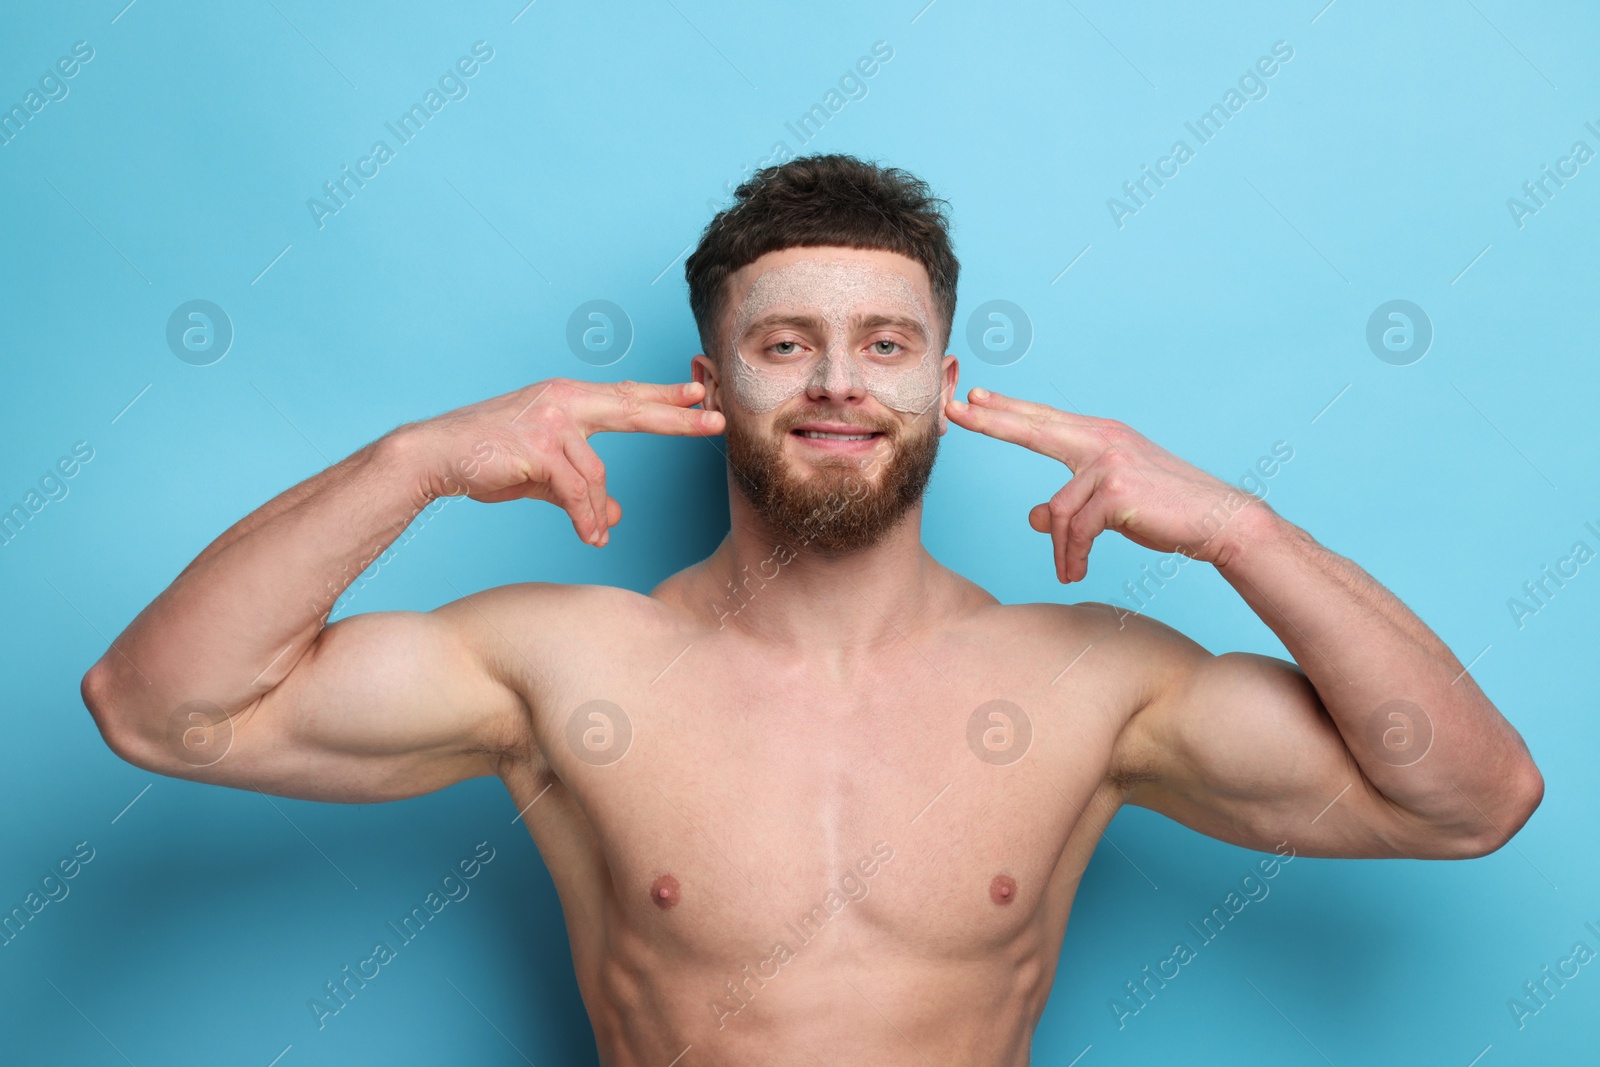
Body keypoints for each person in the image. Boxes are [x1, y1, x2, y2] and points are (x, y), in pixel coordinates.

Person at [81, 154, 1542, 1066]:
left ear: (942, 382)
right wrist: (411, 466)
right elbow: (158, 707)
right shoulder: (563, 664)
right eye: (789, 344)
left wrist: (1238, 529)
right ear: (715, 389)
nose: (841, 381)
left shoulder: (1093, 685)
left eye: (885, 343)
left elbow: (1471, 800)